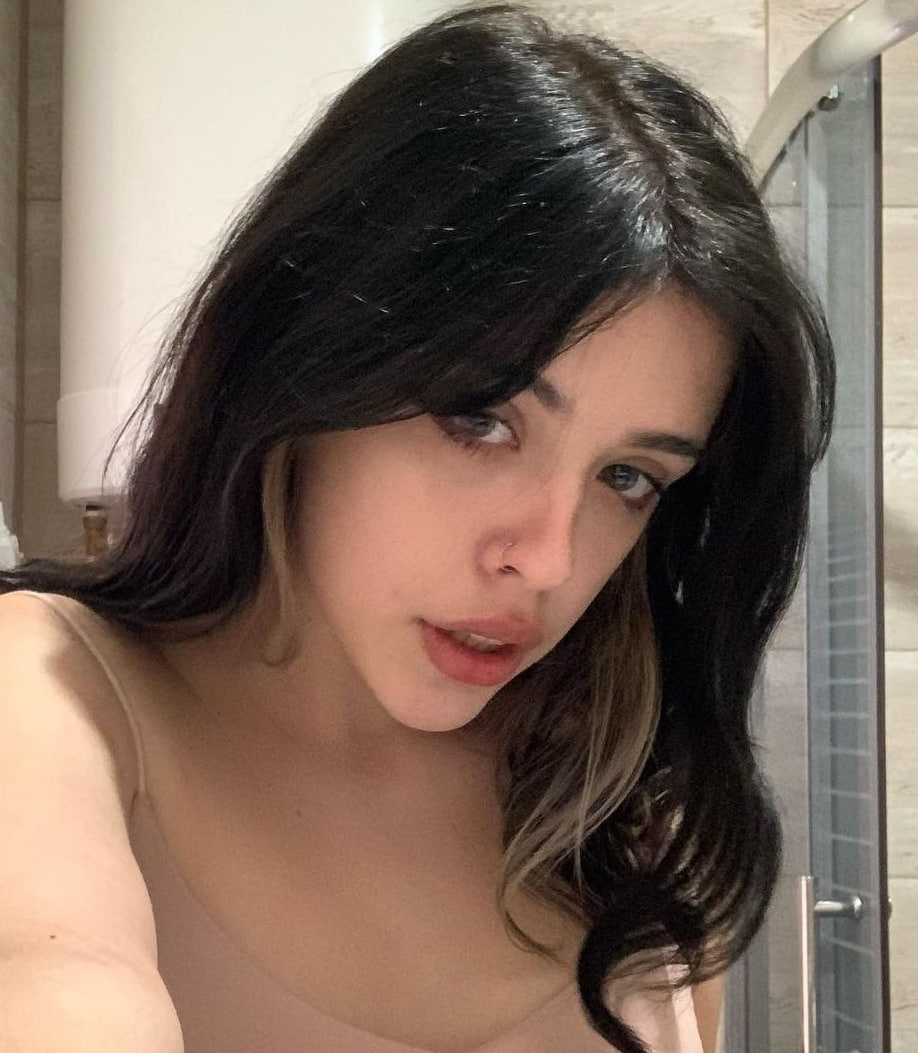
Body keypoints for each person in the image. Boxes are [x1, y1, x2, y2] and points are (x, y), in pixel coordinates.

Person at [0, 5, 834, 1052]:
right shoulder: (52, 698)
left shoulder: (630, 817)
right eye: (480, 419)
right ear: (308, 357)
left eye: (628, 476)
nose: (550, 559)